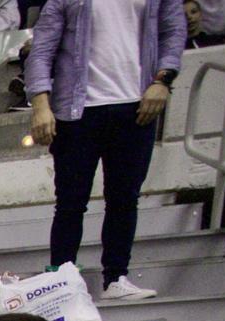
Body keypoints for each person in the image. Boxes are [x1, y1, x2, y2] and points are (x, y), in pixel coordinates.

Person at [28, 0, 186, 302]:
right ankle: (61, 281)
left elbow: (173, 31)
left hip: (136, 104)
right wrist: (40, 103)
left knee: (125, 198)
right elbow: (42, 48)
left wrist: (163, 81)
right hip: (77, 110)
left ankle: (116, 277)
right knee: (70, 203)